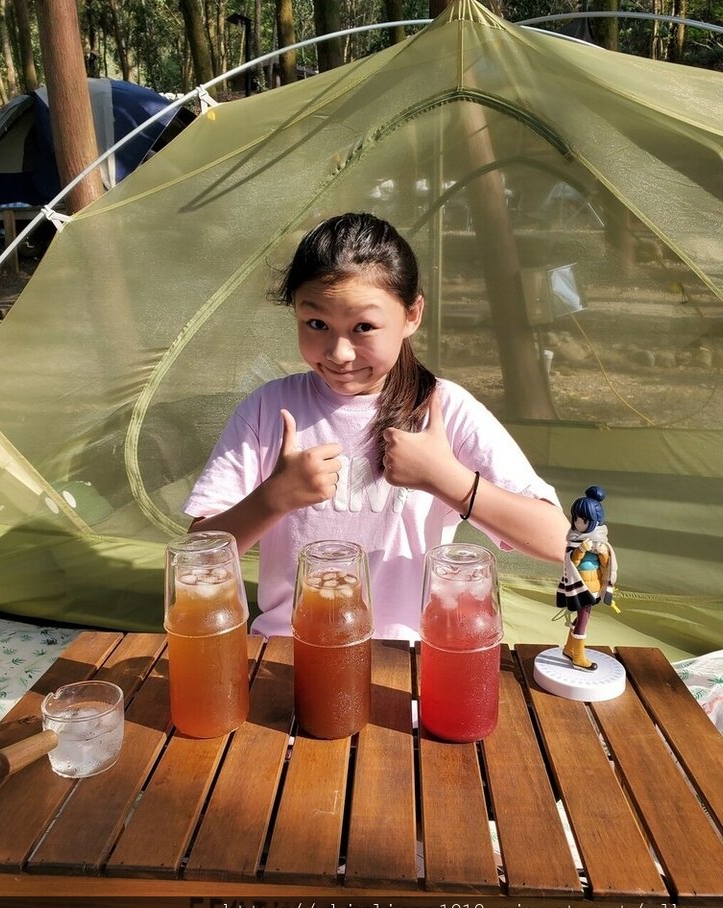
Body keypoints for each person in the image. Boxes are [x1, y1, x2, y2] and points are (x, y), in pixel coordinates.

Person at [185, 212, 569, 639]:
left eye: (364, 327)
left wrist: (448, 480)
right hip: (285, 652)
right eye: (317, 324)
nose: (339, 352)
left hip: (402, 661)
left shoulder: (444, 411)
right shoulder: (269, 408)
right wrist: (274, 497)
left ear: (412, 314)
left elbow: (558, 541)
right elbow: (198, 554)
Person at [556, 485, 617, 670]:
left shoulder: (600, 540)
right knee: (583, 620)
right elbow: (571, 560)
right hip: (579, 584)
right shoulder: (574, 539)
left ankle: (569, 648)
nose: (577, 523)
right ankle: (578, 656)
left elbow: (608, 564)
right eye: (576, 518)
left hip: (594, 584)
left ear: (593, 521)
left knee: (582, 618)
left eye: (582, 519)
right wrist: (582, 549)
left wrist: (602, 551)